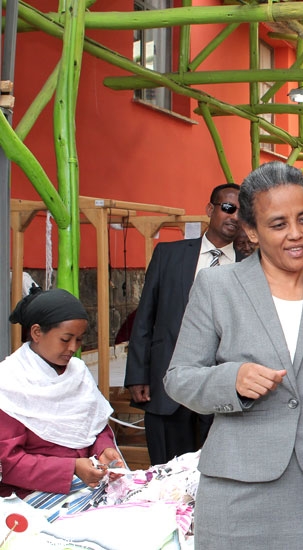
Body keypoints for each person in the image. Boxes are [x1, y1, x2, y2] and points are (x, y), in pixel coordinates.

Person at [164, 161, 303, 549]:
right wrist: (231, 379)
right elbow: (179, 377)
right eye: (278, 224)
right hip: (238, 490)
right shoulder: (217, 287)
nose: (297, 235)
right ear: (251, 231)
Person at [124, 183, 242, 465]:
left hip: (223, 393)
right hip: (167, 389)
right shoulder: (168, 255)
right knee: (167, 476)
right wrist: (138, 374)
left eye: (242, 211)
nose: (235, 216)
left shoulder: (252, 264)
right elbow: (146, 318)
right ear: (210, 209)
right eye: (228, 208)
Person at [0, 288, 124, 498]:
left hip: (85, 485)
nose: (73, 348)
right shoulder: (9, 382)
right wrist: (71, 468)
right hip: (27, 495)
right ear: (37, 332)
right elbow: (8, 462)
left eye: (79, 340)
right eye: (65, 339)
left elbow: (94, 426)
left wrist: (104, 450)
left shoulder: (78, 373)